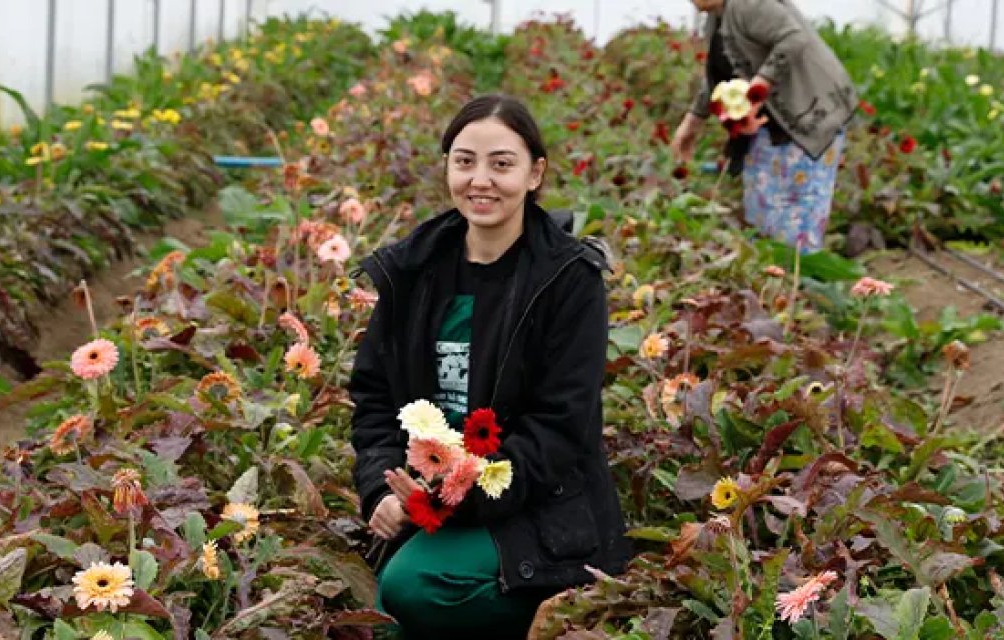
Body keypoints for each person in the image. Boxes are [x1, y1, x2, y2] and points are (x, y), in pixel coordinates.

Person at [348, 94, 632, 639]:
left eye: (502, 163)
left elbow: (558, 430)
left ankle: (559, 618)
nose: (481, 180)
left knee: (408, 590)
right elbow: (376, 398)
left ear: (534, 174)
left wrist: (443, 500)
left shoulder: (569, 281)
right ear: (448, 168)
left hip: (536, 500)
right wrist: (383, 490)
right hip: (430, 497)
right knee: (389, 614)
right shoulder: (415, 270)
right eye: (464, 161)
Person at [672, 0, 858, 252]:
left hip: (808, 118)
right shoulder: (717, 16)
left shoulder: (747, 4)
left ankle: (797, 283)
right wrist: (692, 121)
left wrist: (758, 88)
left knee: (796, 215)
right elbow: (719, 74)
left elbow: (793, 38)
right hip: (770, 125)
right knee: (763, 213)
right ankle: (772, 282)